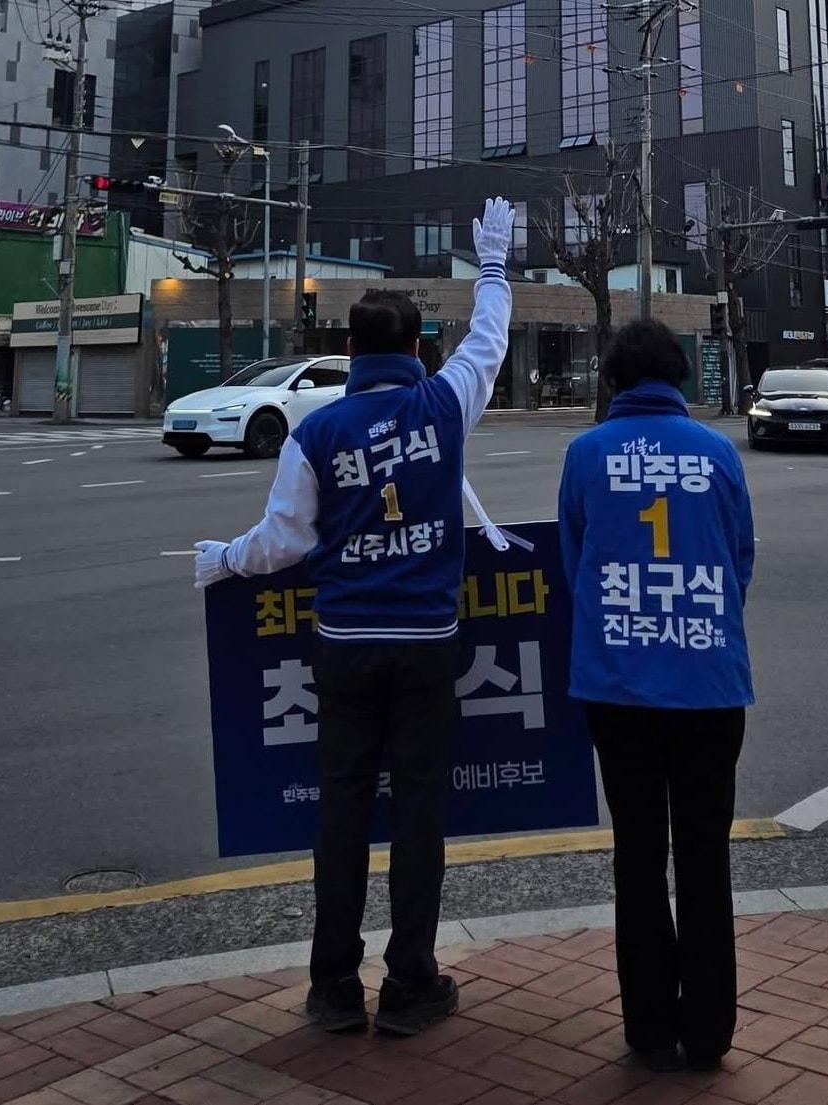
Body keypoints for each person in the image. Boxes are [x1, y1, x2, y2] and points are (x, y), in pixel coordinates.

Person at [194, 197, 515, 1037]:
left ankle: (332, 984)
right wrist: (491, 265)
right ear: (416, 350)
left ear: (347, 351)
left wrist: (223, 559)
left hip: (341, 645)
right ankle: (411, 983)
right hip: (426, 648)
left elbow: (283, 541)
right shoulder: (444, 405)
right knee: (418, 811)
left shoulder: (317, 428)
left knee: (340, 811)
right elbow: (488, 344)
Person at [557, 321, 755, 1073]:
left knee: (637, 853)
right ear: (679, 379)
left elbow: (576, 562)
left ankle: (646, 1022)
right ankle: (707, 1030)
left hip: (618, 684)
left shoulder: (585, 455)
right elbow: (739, 559)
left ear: (613, 380)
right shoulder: (717, 452)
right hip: (708, 682)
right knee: (704, 854)